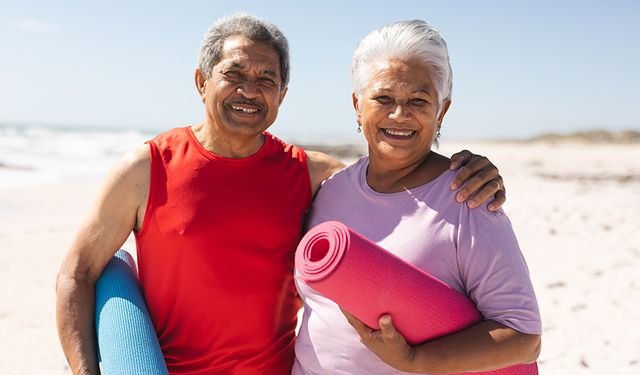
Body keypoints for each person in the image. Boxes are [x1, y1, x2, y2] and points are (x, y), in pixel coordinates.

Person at [56, 14, 507, 374]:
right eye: (234, 74)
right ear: (201, 81)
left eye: (267, 80)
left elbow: (396, 176)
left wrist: (465, 168)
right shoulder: (146, 168)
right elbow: (76, 273)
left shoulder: (312, 175)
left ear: (282, 94)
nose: (250, 91)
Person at [293, 19, 541, 374]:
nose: (399, 114)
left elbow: (524, 338)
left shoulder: (468, 200)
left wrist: (416, 361)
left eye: (418, 100)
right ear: (357, 105)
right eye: (383, 98)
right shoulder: (330, 191)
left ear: (442, 111)